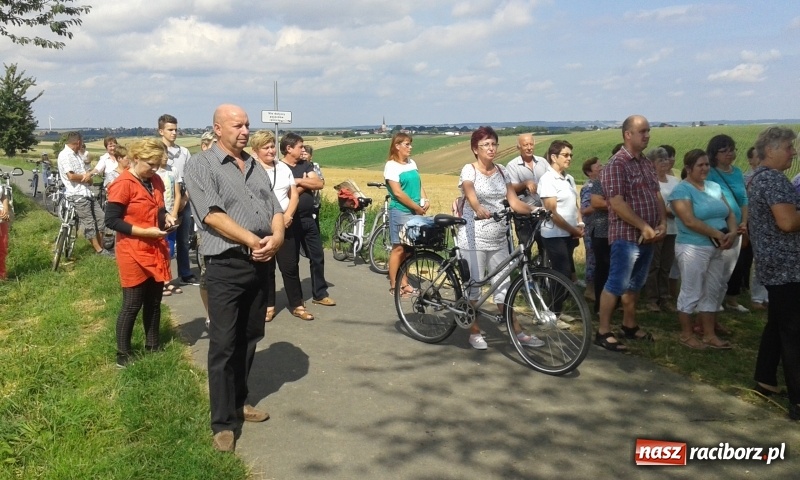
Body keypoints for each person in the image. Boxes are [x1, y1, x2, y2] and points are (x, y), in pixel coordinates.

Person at [184, 104, 284, 452]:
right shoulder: (201, 165)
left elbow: (274, 208)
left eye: (247, 125)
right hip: (226, 264)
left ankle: (240, 401)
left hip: (260, 262)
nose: (245, 131)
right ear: (217, 128)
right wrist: (254, 241)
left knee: (251, 336)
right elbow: (212, 215)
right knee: (224, 344)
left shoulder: (254, 165)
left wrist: (277, 237)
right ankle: (223, 423)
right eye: (237, 125)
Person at [457, 126, 543, 350]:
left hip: (498, 238)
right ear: (475, 149)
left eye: (493, 144)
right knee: (474, 287)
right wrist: (477, 208)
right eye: (485, 144)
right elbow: (469, 192)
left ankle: (518, 332)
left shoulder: (502, 171)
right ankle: (474, 331)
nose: (491, 148)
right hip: (473, 237)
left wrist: (536, 210)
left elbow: (514, 202)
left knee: (504, 288)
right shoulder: (469, 170)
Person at [595, 115, 666, 352]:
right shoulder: (617, 164)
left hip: (648, 235)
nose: (647, 135)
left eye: (648, 131)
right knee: (617, 283)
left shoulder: (645, 163)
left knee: (635, 284)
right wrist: (643, 225)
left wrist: (662, 222)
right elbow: (617, 203)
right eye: (642, 131)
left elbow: (656, 194)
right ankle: (603, 331)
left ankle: (629, 325)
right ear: (628, 134)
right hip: (626, 236)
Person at [104, 139, 174, 367]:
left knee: (154, 301)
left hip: (155, 248)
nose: (154, 168)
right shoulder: (123, 184)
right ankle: (123, 354)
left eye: (157, 164)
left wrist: (166, 217)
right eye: (150, 164)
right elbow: (112, 220)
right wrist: (144, 231)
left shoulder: (155, 181)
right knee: (132, 303)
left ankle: (153, 345)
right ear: (136, 158)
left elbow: (159, 208)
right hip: (132, 250)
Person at [748, 126, 800, 417]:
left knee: (778, 323)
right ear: (770, 150)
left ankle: (765, 378)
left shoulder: (759, 177)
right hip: (787, 266)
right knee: (793, 331)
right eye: (789, 147)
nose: (794, 152)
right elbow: (788, 222)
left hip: (774, 263)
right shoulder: (774, 180)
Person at [668, 149, 737, 349]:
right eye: (700, 165)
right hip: (693, 247)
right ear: (689, 168)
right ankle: (686, 335)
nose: (705, 168)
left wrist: (732, 233)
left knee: (712, 291)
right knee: (691, 291)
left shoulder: (714, 187)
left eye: (707, 164)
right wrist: (717, 234)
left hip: (717, 248)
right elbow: (689, 220)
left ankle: (709, 335)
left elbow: (729, 213)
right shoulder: (681, 191)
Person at [250, 130, 308, 321]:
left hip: (285, 224)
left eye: (272, 146)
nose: (271, 151)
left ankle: (297, 304)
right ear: (256, 150)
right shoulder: (250, 170)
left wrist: (288, 215)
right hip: (261, 226)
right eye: (265, 148)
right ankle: (268, 306)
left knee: (290, 266)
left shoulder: (283, 168)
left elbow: (294, 195)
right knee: (266, 269)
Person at [280, 132, 335, 307]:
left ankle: (320, 293)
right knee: (292, 261)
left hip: (308, 219)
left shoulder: (305, 164)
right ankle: (297, 299)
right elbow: (285, 195)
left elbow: (319, 183)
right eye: (300, 147)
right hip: (291, 220)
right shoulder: (280, 168)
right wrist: (304, 183)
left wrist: (296, 181)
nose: (303, 150)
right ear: (289, 148)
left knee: (317, 256)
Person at [706, 134, 749, 313]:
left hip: (738, 227)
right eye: (724, 151)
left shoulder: (737, 172)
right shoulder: (710, 172)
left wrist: (744, 222)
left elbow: (744, 199)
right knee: (717, 267)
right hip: (720, 228)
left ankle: (721, 301)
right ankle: (710, 303)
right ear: (714, 154)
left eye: (732, 150)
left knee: (730, 268)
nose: (729, 154)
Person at [384, 132, 428, 296]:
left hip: (415, 210)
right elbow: (398, 193)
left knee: (409, 250)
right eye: (407, 144)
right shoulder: (391, 166)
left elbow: (419, 183)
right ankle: (394, 284)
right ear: (397, 146)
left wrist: (424, 199)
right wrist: (416, 207)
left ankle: (405, 282)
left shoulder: (412, 163)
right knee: (399, 249)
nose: (410, 147)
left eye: (410, 144)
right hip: (400, 211)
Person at [538, 140, 583, 297]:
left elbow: (574, 204)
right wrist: (573, 230)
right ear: (553, 157)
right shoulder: (547, 179)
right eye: (565, 155)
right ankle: (554, 308)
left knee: (566, 272)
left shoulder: (568, 178)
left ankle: (561, 303)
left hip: (569, 233)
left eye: (571, 155)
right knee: (561, 273)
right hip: (554, 235)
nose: (569, 158)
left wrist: (580, 223)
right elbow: (552, 213)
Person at [57, 131, 113, 256]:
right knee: (89, 223)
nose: (82, 145)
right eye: (82, 142)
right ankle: (99, 251)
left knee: (101, 219)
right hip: (76, 194)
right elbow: (71, 176)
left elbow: (87, 173)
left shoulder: (77, 155)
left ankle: (101, 247)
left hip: (87, 192)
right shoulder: (65, 155)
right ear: (78, 142)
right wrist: (86, 178)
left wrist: (88, 177)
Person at [158, 114, 196, 286]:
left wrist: (185, 198)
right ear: (161, 131)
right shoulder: (157, 150)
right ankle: (163, 277)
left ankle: (185, 272)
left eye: (175, 129)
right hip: (164, 202)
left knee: (183, 239)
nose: (174, 133)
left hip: (182, 198)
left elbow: (190, 176)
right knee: (165, 242)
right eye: (170, 130)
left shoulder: (184, 152)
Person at [642, 147, 680, 313]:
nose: (665, 162)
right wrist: (668, 211)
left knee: (666, 265)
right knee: (654, 265)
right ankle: (651, 299)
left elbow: (681, 200)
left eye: (666, 159)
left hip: (673, 228)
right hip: (655, 227)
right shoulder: (649, 181)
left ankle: (664, 297)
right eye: (660, 160)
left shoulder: (674, 181)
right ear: (651, 163)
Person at [506, 133, 549, 257]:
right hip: (523, 213)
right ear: (519, 147)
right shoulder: (512, 165)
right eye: (525, 145)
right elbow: (510, 187)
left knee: (545, 243)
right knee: (525, 246)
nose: (529, 148)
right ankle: (526, 267)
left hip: (542, 210)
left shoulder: (543, 162)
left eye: (531, 144)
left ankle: (544, 267)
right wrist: (525, 183)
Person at [157, 148, 182, 295]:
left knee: (169, 249)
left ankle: (167, 280)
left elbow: (177, 194)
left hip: (171, 215)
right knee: (159, 250)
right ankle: (160, 282)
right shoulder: (154, 172)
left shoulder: (173, 170)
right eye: (162, 154)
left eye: (167, 154)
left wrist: (174, 214)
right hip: (158, 216)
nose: (165, 157)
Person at [580, 157, 602, 300]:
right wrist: (601, 204)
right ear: (589, 172)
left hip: (600, 228)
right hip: (591, 228)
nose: (601, 168)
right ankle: (589, 290)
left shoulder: (599, 185)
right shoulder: (589, 187)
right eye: (598, 167)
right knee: (592, 259)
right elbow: (585, 210)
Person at [0, 187, 10, 279]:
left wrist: (5, 209)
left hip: (2, 220)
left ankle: (2, 275)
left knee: (2, 247)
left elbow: (3, 195)